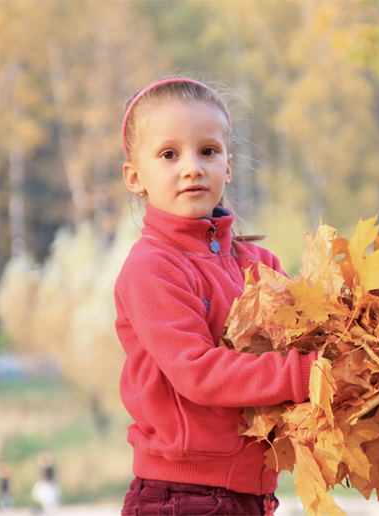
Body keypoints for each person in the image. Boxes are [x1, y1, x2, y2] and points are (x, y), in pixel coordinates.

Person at [115, 77, 316, 516]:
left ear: (227, 166)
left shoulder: (259, 264)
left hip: (251, 493)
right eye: (169, 154)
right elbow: (198, 372)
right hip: (181, 494)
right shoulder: (152, 267)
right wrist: (309, 375)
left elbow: (304, 342)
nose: (192, 167)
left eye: (207, 151)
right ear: (136, 177)